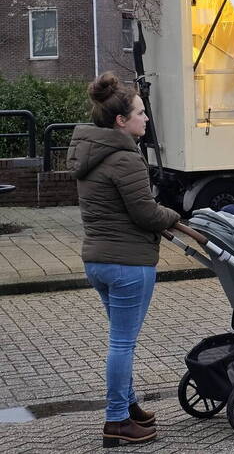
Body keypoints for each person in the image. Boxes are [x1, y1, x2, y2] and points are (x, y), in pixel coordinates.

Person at [67, 73, 181, 448]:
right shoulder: (125, 158)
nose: (145, 119)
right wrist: (173, 217)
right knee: (122, 344)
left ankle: (129, 406)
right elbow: (145, 214)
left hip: (97, 260)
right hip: (129, 263)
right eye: (140, 113)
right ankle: (116, 421)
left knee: (120, 340)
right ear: (121, 121)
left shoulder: (89, 154)